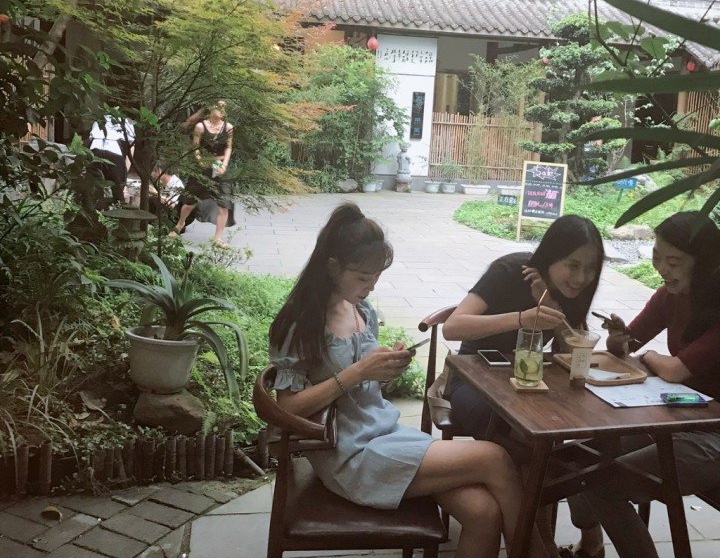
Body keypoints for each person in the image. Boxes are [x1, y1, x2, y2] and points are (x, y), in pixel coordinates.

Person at [268, 203, 555, 558]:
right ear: (332, 267)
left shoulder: (360, 309)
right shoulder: (301, 322)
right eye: (362, 278)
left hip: (386, 436)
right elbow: (287, 408)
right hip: (350, 455)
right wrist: (359, 372)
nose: (370, 287)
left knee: (484, 513)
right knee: (496, 457)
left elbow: (365, 390)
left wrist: (384, 369)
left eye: (376, 278)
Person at [563, 211, 720, 558]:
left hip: (712, 434)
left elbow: (675, 370)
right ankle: (590, 545)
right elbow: (626, 345)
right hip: (680, 420)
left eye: (673, 262)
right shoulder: (670, 295)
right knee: (578, 458)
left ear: (705, 263)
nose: (662, 268)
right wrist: (619, 339)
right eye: (656, 257)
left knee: (603, 483)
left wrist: (647, 355)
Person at [443, 214, 605, 440]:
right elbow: (451, 327)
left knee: (589, 416)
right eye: (573, 265)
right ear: (550, 256)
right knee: (509, 424)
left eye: (590, 268)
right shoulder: (509, 271)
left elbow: (573, 352)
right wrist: (522, 319)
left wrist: (551, 307)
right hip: (474, 378)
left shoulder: (575, 291)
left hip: (531, 381)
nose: (581, 278)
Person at [171, 101, 235, 246]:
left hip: (221, 167)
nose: (220, 110)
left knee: (224, 203)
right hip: (203, 167)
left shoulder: (228, 127)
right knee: (190, 201)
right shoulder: (200, 126)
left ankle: (217, 238)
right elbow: (196, 147)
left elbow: (229, 147)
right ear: (211, 109)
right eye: (218, 107)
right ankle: (180, 224)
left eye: (223, 108)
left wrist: (225, 164)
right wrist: (200, 161)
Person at [88, 114, 135, 205]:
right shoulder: (126, 120)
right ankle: (119, 208)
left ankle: (92, 208)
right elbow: (131, 145)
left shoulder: (99, 118)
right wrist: (125, 171)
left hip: (94, 150)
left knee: (93, 187)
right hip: (113, 151)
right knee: (118, 189)